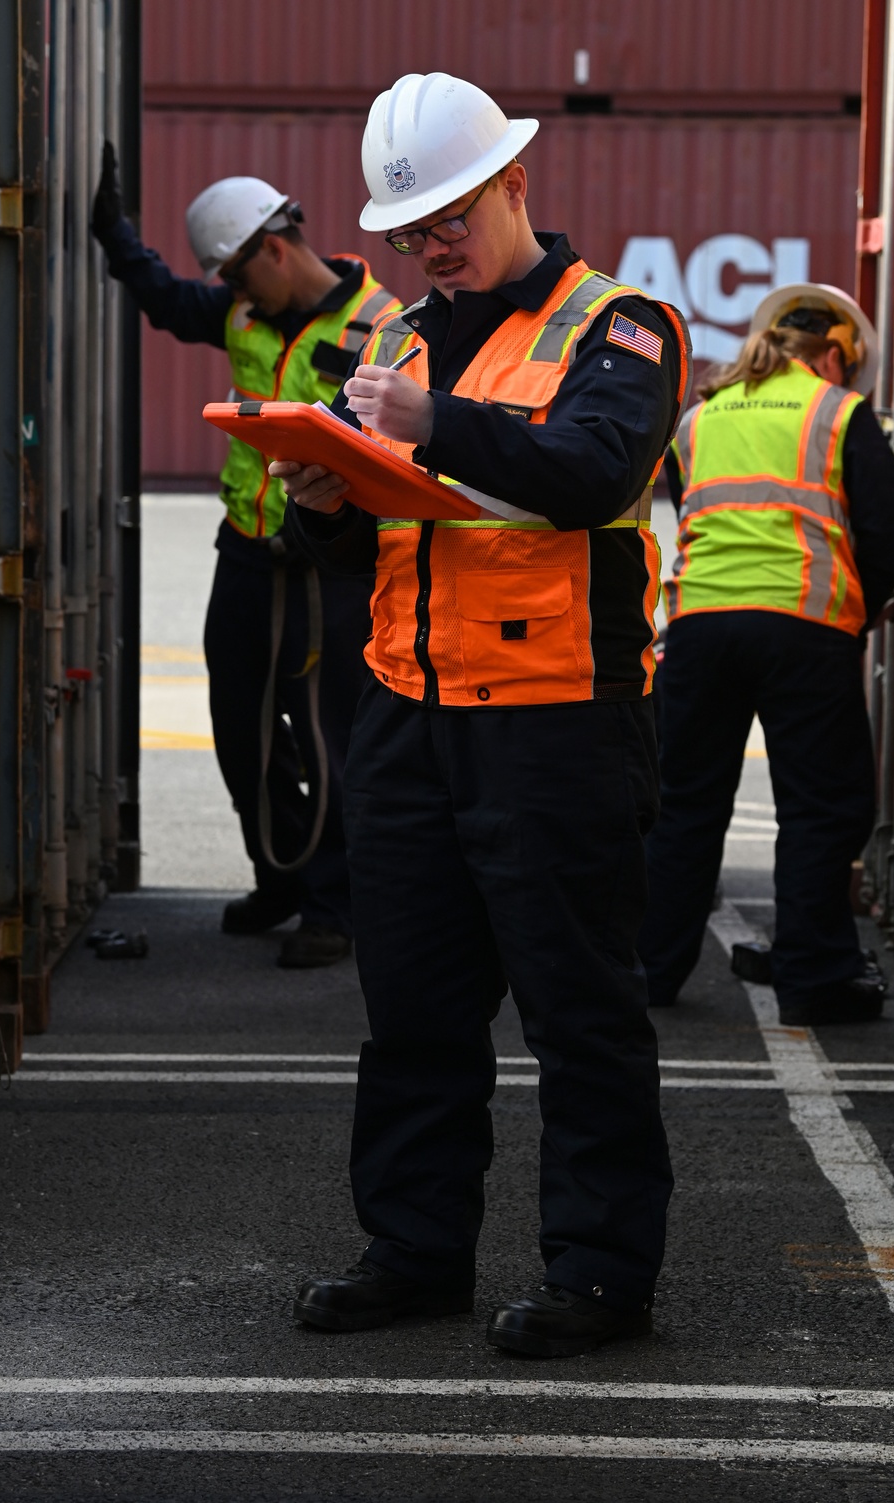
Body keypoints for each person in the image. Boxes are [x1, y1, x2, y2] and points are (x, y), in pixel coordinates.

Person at [270, 72, 692, 1357]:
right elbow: (361, 556)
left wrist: (435, 425)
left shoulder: (619, 327)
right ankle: (414, 1250)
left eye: (451, 212)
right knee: (413, 1010)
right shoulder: (395, 343)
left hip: (556, 717)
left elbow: (592, 474)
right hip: (408, 713)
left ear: (515, 181)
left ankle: (602, 1277)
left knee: (579, 1012)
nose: (433, 245)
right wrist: (325, 500)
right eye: (410, 230)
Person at [92, 148, 400, 967]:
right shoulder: (242, 314)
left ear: (273, 246)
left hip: (330, 565)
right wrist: (115, 236)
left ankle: (333, 904)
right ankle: (282, 872)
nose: (231, 293)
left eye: (235, 274)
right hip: (248, 555)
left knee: (331, 733)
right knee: (240, 725)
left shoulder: (384, 327)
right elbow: (165, 300)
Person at [638, 284, 894, 1025]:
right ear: (833, 355)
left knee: (686, 806)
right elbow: (891, 521)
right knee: (822, 808)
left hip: (698, 628)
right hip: (803, 624)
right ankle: (814, 978)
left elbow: (690, 505)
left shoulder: (699, 418)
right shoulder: (837, 411)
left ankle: (650, 971)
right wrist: (856, 610)